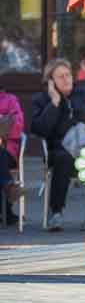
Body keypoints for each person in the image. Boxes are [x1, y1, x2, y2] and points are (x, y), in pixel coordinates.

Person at [29, 58, 85, 231]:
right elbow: (40, 129)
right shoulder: (41, 100)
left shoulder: (84, 94)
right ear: (50, 81)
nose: (66, 79)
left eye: (68, 75)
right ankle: (56, 212)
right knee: (64, 158)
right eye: (60, 76)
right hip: (59, 149)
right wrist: (54, 103)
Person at [1, 85, 23, 226]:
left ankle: (5, 211)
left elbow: (18, 127)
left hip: (7, 151)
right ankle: (9, 186)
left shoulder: (10, 100)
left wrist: (5, 128)